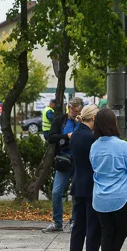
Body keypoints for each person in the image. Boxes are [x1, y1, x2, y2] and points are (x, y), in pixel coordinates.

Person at [89, 108, 127, 251]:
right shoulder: (122, 145)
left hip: (100, 196)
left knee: (106, 231)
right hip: (121, 195)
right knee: (121, 230)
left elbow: (93, 167)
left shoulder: (94, 147)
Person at [68, 104, 102, 251]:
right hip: (91, 186)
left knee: (78, 226)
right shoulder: (91, 138)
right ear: (94, 118)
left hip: (78, 184)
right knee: (92, 226)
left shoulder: (75, 134)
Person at [43, 97, 84, 233]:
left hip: (79, 161)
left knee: (77, 193)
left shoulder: (83, 121)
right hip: (64, 160)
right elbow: (51, 137)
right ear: (68, 107)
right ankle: (57, 222)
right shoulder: (60, 120)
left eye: (77, 110)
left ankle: (75, 221)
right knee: (56, 192)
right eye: (72, 109)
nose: (74, 112)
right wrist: (66, 136)